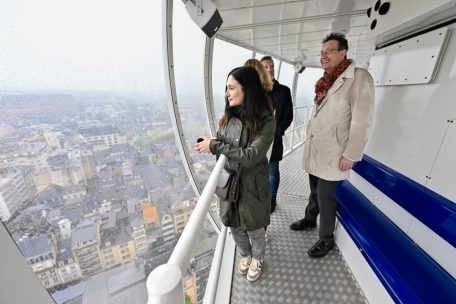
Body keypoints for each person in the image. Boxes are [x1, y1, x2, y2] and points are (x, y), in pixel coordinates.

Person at [289, 32, 375, 258]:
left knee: (326, 196)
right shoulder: (326, 81)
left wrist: (351, 154)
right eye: (321, 52)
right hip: (317, 148)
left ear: (343, 52)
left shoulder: (359, 78)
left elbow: (362, 120)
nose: (323, 56)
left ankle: (326, 239)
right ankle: (309, 219)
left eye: (329, 51)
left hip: (336, 152)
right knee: (314, 190)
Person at [195, 66, 275, 282]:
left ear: (247, 90)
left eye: (231, 88)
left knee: (255, 227)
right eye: (226, 88)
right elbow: (222, 142)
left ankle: (257, 258)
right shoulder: (227, 119)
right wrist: (212, 143)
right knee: (233, 224)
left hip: (252, 185)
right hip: (230, 182)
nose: (226, 93)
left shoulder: (266, 122)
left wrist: (216, 146)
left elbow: (250, 156)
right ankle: (245, 255)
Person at [261, 56, 294, 213]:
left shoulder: (284, 91)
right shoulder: (255, 92)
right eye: (266, 67)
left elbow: (289, 116)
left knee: (273, 171)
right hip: (257, 141)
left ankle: (272, 200)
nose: (270, 69)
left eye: (272, 66)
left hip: (274, 139)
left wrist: (278, 131)